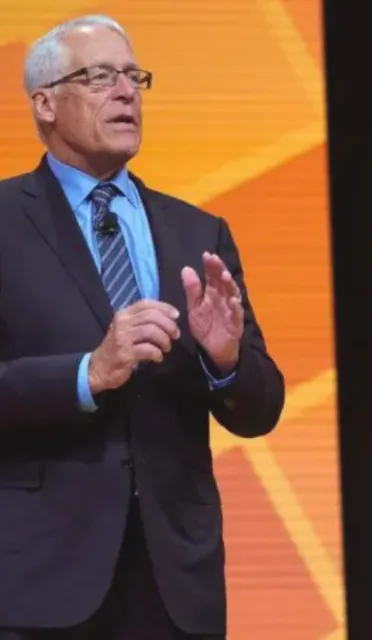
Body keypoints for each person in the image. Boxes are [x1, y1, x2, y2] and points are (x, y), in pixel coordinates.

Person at [0, 14, 284, 640]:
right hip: (39, 578)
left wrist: (225, 358)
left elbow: (259, 409)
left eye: (134, 77)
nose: (126, 91)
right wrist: (87, 373)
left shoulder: (197, 232)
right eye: (100, 76)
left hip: (174, 580)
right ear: (45, 103)